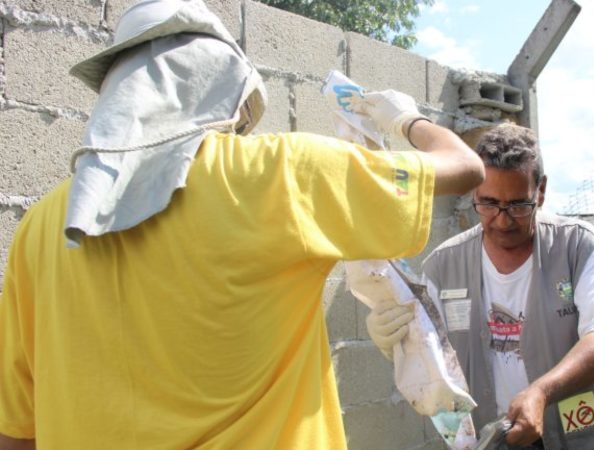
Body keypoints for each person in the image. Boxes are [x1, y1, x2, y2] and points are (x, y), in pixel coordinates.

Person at [0, 1, 485, 449]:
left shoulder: (42, 228)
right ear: (225, 83)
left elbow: (18, 429)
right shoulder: (277, 174)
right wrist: (406, 120)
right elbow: (465, 167)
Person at [367, 124, 594, 449]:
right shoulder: (442, 267)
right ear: (474, 192)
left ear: (541, 191)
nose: (502, 220)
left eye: (518, 205)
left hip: (574, 436)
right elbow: (427, 353)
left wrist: (541, 392)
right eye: (489, 204)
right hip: (491, 440)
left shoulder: (580, 247)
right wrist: (392, 341)